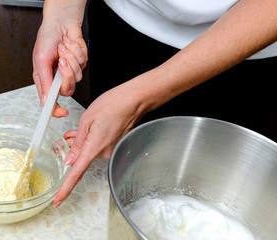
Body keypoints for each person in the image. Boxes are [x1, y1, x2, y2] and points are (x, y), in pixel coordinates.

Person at [32, 0, 277, 208]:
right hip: (121, 23)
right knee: (116, 183)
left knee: (203, 201)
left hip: (237, 47)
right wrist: (61, 12)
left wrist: (137, 98)